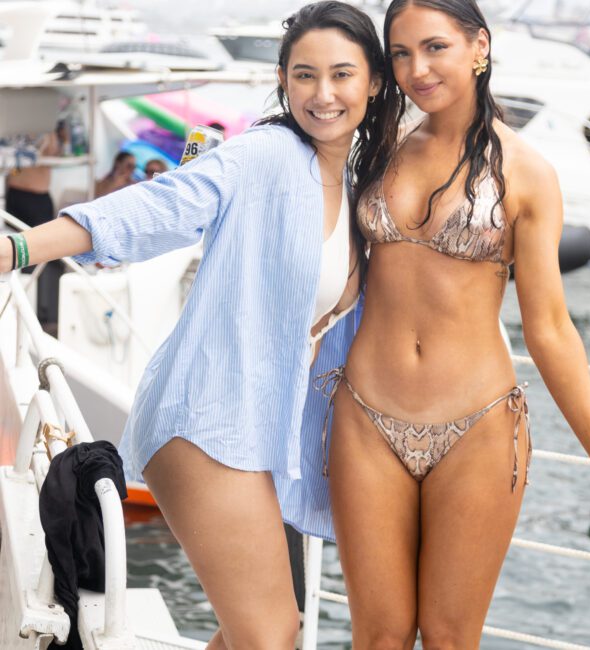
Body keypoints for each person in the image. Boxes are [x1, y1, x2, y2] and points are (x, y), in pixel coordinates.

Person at [0, 2, 384, 648]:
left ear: (373, 81)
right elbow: (159, 207)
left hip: (257, 429)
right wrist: (17, 250)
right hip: (202, 419)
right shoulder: (264, 156)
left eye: (342, 75)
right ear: (284, 81)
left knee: (251, 633)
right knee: (269, 635)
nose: (323, 94)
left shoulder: (353, 182)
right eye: (304, 75)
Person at [322, 1, 590, 648]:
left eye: (435, 47)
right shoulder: (377, 147)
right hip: (364, 416)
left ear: (479, 47)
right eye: (402, 53)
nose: (418, 68)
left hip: (478, 427)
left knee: (447, 638)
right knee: (377, 637)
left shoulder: (527, 173)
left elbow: (549, 327)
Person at [5, 122, 67, 329]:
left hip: (35, 198)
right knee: (14, 253)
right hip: (16, 196)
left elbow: (56, 155)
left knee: (37, 255)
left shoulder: (49, 134)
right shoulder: (13, 132)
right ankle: (16, 306)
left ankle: (36, 311)